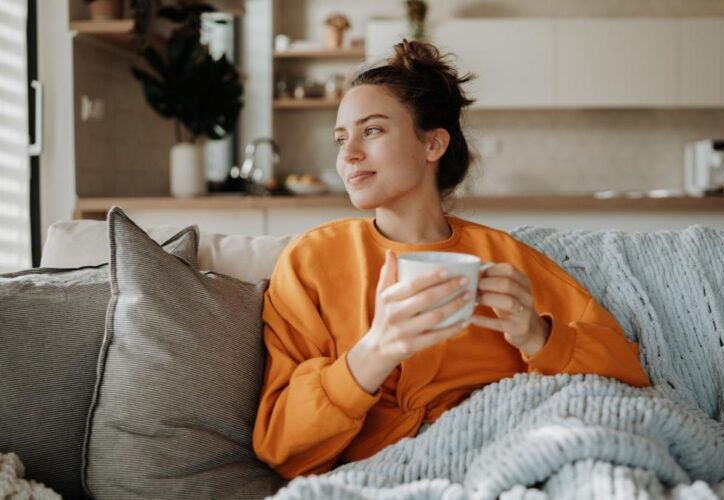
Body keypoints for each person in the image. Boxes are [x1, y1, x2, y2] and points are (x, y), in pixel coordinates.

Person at [252, 40, 650, 480]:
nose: (348, 155)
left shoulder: (504, 259)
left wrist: (539, 336)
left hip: (510, 462)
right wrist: (375, 351)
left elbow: (628, 378)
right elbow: (282, 448)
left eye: (373, 131)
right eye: (341, 138)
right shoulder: (311, 261)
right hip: (384, 478)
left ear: (434, 144)